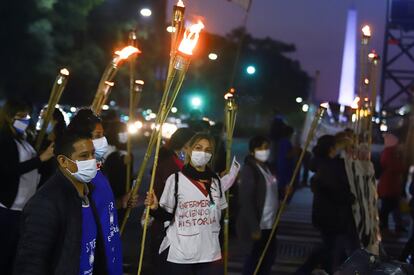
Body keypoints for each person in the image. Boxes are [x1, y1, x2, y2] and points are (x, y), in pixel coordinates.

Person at [13, 129, 108, 274]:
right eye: (84, 156)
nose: (92, 161)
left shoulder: (89, 193)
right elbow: (31, 263)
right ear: (63, 161)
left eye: (93, 154)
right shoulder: (45, 204)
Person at [68, 108, 138, 275]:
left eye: (102, 135)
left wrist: (121, 202)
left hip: (108, 248)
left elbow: (102, 206)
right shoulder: (78, 176)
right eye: (97, 136)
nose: (102, 140)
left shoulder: (98, 170)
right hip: (93, 255)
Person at [145, 133, 227, 275]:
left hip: (210, 254)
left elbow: (220, 214)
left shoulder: (216, 182)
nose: (203, 153)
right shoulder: (176, 180)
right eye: (198, 148)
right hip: (182, 255)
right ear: (188, 150)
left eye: (208, 150)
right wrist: (154, 208)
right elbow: (166, 216)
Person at [0, 98, 54, 274]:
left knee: (17, 254)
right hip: (8, 207)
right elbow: (8, 170)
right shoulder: (4, 140)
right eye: (20, 116)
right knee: (5, 253)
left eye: (26, 116)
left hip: (24, 206)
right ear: (8, 117)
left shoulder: (24, 138)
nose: (24, 120)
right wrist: (40, 159)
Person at [309, 135, 358, 274]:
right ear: (332, 149)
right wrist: (350, 198)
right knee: (331, 249)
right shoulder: (330, 167)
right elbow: (334, 192)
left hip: (327, 215)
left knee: (332, 248)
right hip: (332, 216)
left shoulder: (327, 165)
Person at [236, 136, 278, 275]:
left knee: (267, 260)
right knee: (253, 261)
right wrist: (254, 227)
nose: (264, 151)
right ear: (252, 151)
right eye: (260, 148)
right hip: (257, 224)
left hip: (269, 224)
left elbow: (270, 191)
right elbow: (246, 200)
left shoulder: (267, 168)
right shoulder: (249, 170)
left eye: (266, 148)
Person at [378, 132, 406, 234]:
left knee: (393, 206)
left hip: (390, 185)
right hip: (390, 185)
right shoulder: (391, 153)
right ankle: (384, 224)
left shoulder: (390, 152)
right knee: (389, 206)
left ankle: (394, 224)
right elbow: (397, 166)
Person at [37, 106, 67, 185]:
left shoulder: (63, 141)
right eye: (41, 117)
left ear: (56, 120)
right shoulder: (38, 138)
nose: (41, 121)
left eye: (45, 118)